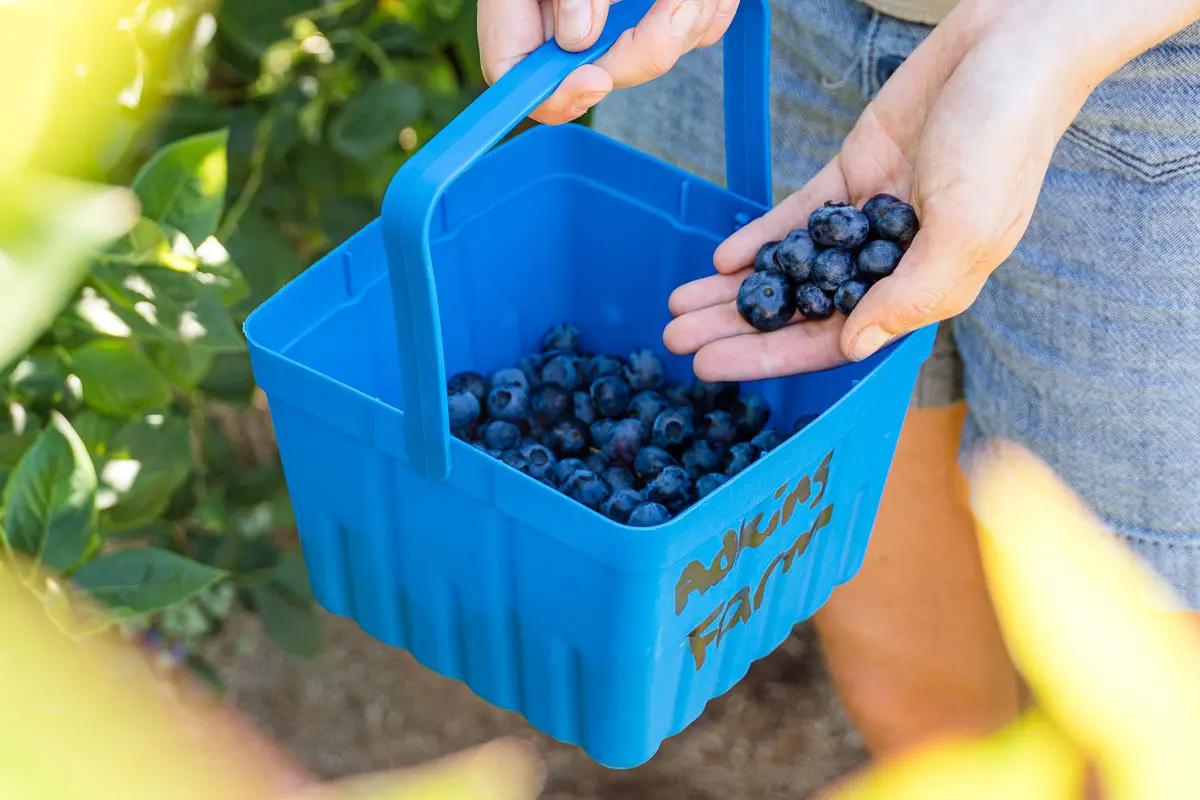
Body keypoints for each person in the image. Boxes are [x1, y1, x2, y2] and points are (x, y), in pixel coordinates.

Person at [477, 0, 1200, 758]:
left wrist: (1055, 31)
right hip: (750, 34)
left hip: (1139, 71)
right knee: (915, 697)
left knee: (1143, 713)